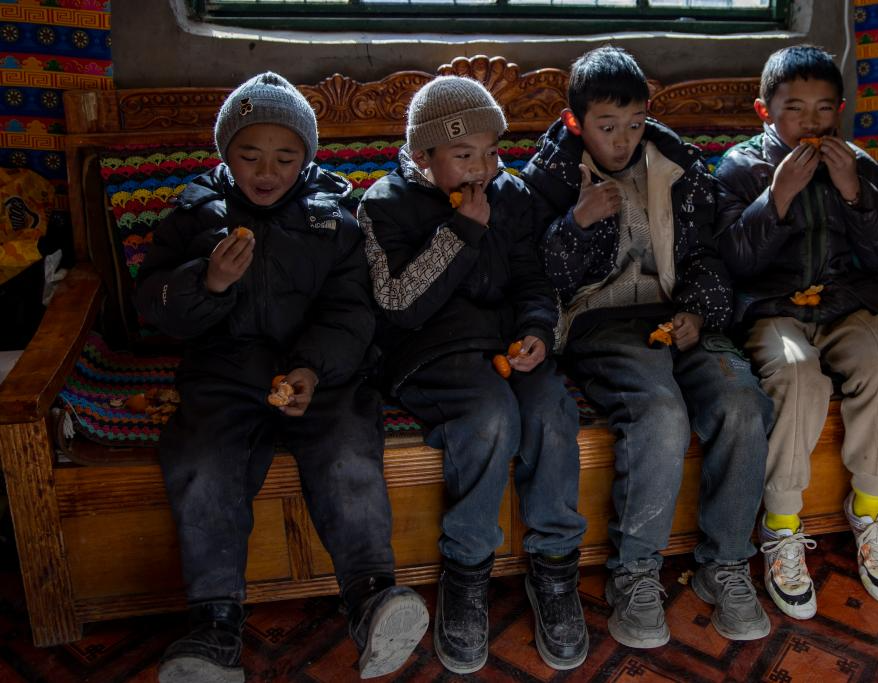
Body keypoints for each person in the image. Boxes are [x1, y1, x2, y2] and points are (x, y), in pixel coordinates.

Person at [135, 72, 428, 682]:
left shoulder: (334, 218)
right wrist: (208, 283)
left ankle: (371, 597)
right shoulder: (194, 213)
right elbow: (153, 303)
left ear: (307, 158)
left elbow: (352, 309)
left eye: (285, 158)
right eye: (249, 155)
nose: (266, 172)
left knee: (347, 450)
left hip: (318, 376)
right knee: (203, 460)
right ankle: (214, 625)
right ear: (225, 152)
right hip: (224, 374)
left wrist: (313, 369)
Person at [522, 46, 774, 645]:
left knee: (742, 402)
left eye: (634, 124)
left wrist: (697, 312)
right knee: (661, 413)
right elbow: (536, 278)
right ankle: (634, 572)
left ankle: (725, 562)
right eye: (607, 127)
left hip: (678, 316)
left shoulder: (678, 166)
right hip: (601, 324)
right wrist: (576, 225)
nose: (622, 140)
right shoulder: (549, 177)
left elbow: (707, 256)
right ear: (575, 121)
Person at [357, 75, 589, 674]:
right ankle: (465, 572)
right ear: (422, 155)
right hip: (428, 354)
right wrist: (462, 231)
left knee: (551, 412)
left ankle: (554, 569)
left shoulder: (510, 194)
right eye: (464, 156)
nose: (483, 169)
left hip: (506, 345)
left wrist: (537, 331)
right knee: (490, 418)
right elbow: (398, 304)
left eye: (490, 152)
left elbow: (533, 279)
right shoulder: (383, 205)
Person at [713, 45, 878, 621]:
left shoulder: (857, 164)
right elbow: (733, 262)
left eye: (823, 109)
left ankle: (870, 507)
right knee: (797, 374)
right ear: (765, 111)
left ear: (841, 110)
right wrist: (777, 196)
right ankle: (782, 522)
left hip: (844, 300)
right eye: (794, 109)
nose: (810, 123)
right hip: (772, 307)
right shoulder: (738, 168)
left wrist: (854, 191)